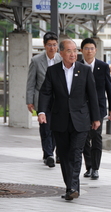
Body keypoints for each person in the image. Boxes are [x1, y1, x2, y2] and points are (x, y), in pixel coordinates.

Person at [38, 39, 101, 201]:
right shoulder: (53, 71)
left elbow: (92, 95)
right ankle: (71, 187)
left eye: (75, 51)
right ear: (61, 53)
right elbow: (45, 92)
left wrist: (96, 118)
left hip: (80, 120)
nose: (73, 54)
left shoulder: (84, 70)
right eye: (69, 51)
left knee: (75, 152)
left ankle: (73, 187)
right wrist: (42, 111)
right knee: (64, 155)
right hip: (60, 120)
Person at [80, 38, 111, 179]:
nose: (89, 51)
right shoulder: (77, 66)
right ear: (82, 50)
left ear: (96, 50)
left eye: (92, 48)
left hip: (98, 108)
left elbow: (109, 88)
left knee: (96, 136)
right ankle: (88, 166)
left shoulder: (103, 66)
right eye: (86, 48)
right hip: (82, 108)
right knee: (83, 138)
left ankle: (95, 168)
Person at [26, 31, 61, 168]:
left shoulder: (61, 59)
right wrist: (30, 101)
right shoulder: (36, 61)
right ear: (44, 45)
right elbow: (31, 82)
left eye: (54, 45)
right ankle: (49, 155)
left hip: (58, 100)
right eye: (49, 45)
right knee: (45, 127)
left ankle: (50, 152)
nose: (52, 48)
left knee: (56, 127)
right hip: (41, 99)